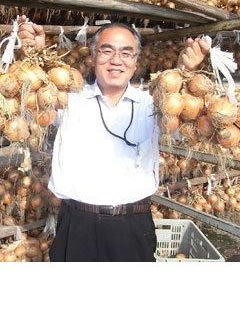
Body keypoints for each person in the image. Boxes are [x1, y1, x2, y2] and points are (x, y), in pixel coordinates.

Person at [18, 17, 210, 262]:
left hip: (132, 226)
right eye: (106, 51)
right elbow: (31, 105)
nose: (116, 60)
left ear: (135, 62)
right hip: (76, 225)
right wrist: (34, 57)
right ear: (93, 57)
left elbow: (188, 129)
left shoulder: (152, 104)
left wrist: (187, 74)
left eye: (126, 53)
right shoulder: (68, 100)